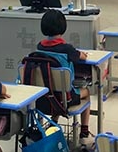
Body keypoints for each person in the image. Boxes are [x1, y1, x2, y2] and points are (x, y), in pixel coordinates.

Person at [37, 9, 93, 147]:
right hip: (65, 99)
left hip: (43, 98)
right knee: (87, 92)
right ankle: (84, 133)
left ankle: (53, 124)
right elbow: (82, 57)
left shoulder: (40, 47)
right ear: (63, 27)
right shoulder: (67, 49)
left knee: (54, 87)